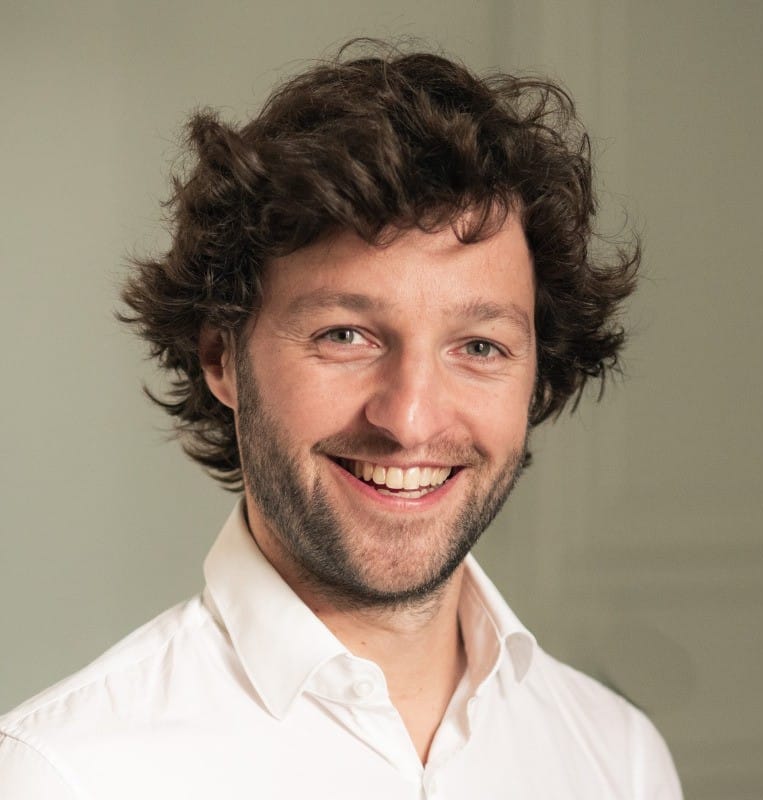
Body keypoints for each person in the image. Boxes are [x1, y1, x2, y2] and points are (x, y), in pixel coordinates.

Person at [0, 42, 682, 798]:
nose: (410, 420)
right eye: (345, 336)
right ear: (222, 358)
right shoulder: (59, 775)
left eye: (479, 346)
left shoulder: (620, 759)